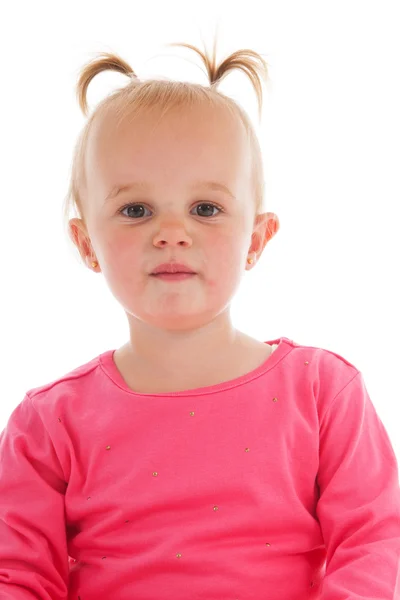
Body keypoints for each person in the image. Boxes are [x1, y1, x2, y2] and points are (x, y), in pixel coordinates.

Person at [0, 36, 399, 600]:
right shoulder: (47, 425)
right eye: (135, 210)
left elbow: (375, 545)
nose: (171, 233)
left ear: (256, 239)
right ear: (86, 242)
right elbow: (18, 577)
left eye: (205, 209)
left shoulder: (322, 391)